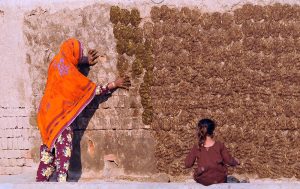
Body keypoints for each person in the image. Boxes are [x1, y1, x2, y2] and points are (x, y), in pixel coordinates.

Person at [36, 38, 130, 182]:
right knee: (63, 158)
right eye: (78, 53)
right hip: (61, 119)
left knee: (47, 157)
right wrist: (114, 84)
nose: (79, 56)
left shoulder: (55, 63)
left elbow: (69, 61)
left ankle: (40, 183)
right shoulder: (71, 75)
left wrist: (84, 60)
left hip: (46, 116)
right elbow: (92, 90)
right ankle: (61, 184)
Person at [185, 118, 239, 186]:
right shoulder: (219, 145)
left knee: (198, 172)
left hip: (203, 180)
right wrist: (236, 161)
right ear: (213, 130)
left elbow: (187, 164)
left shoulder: (197, 147)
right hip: (219, 179)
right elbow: (229, 161)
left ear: (199, 130)